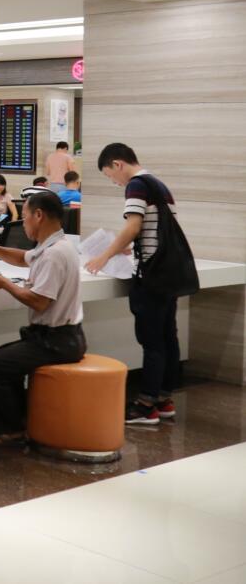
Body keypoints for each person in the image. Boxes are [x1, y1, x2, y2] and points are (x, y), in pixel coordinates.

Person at [0, 192, 86, 445]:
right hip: (63, 337)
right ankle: (17, 422)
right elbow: (22, 258)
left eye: (26, 215)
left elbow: (39, 301)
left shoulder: (54, 254)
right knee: (3, 358)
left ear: (38, 215)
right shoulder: (56, 246)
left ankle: (7, 430)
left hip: (56, 342)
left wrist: (4, 283)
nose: (24, 221)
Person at [85, 143, 191, 426]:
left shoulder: (136, 185)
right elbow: (154, 232)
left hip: (151, 276)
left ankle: (145, 406)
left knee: (152, 341)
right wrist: (131, 247)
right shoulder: (160, 185)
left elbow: (133, 226)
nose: (114, 182)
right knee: (168, 338)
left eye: (110, 175)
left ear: (118, 164)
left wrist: (104, 255)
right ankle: (164, 400)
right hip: (168, 274)